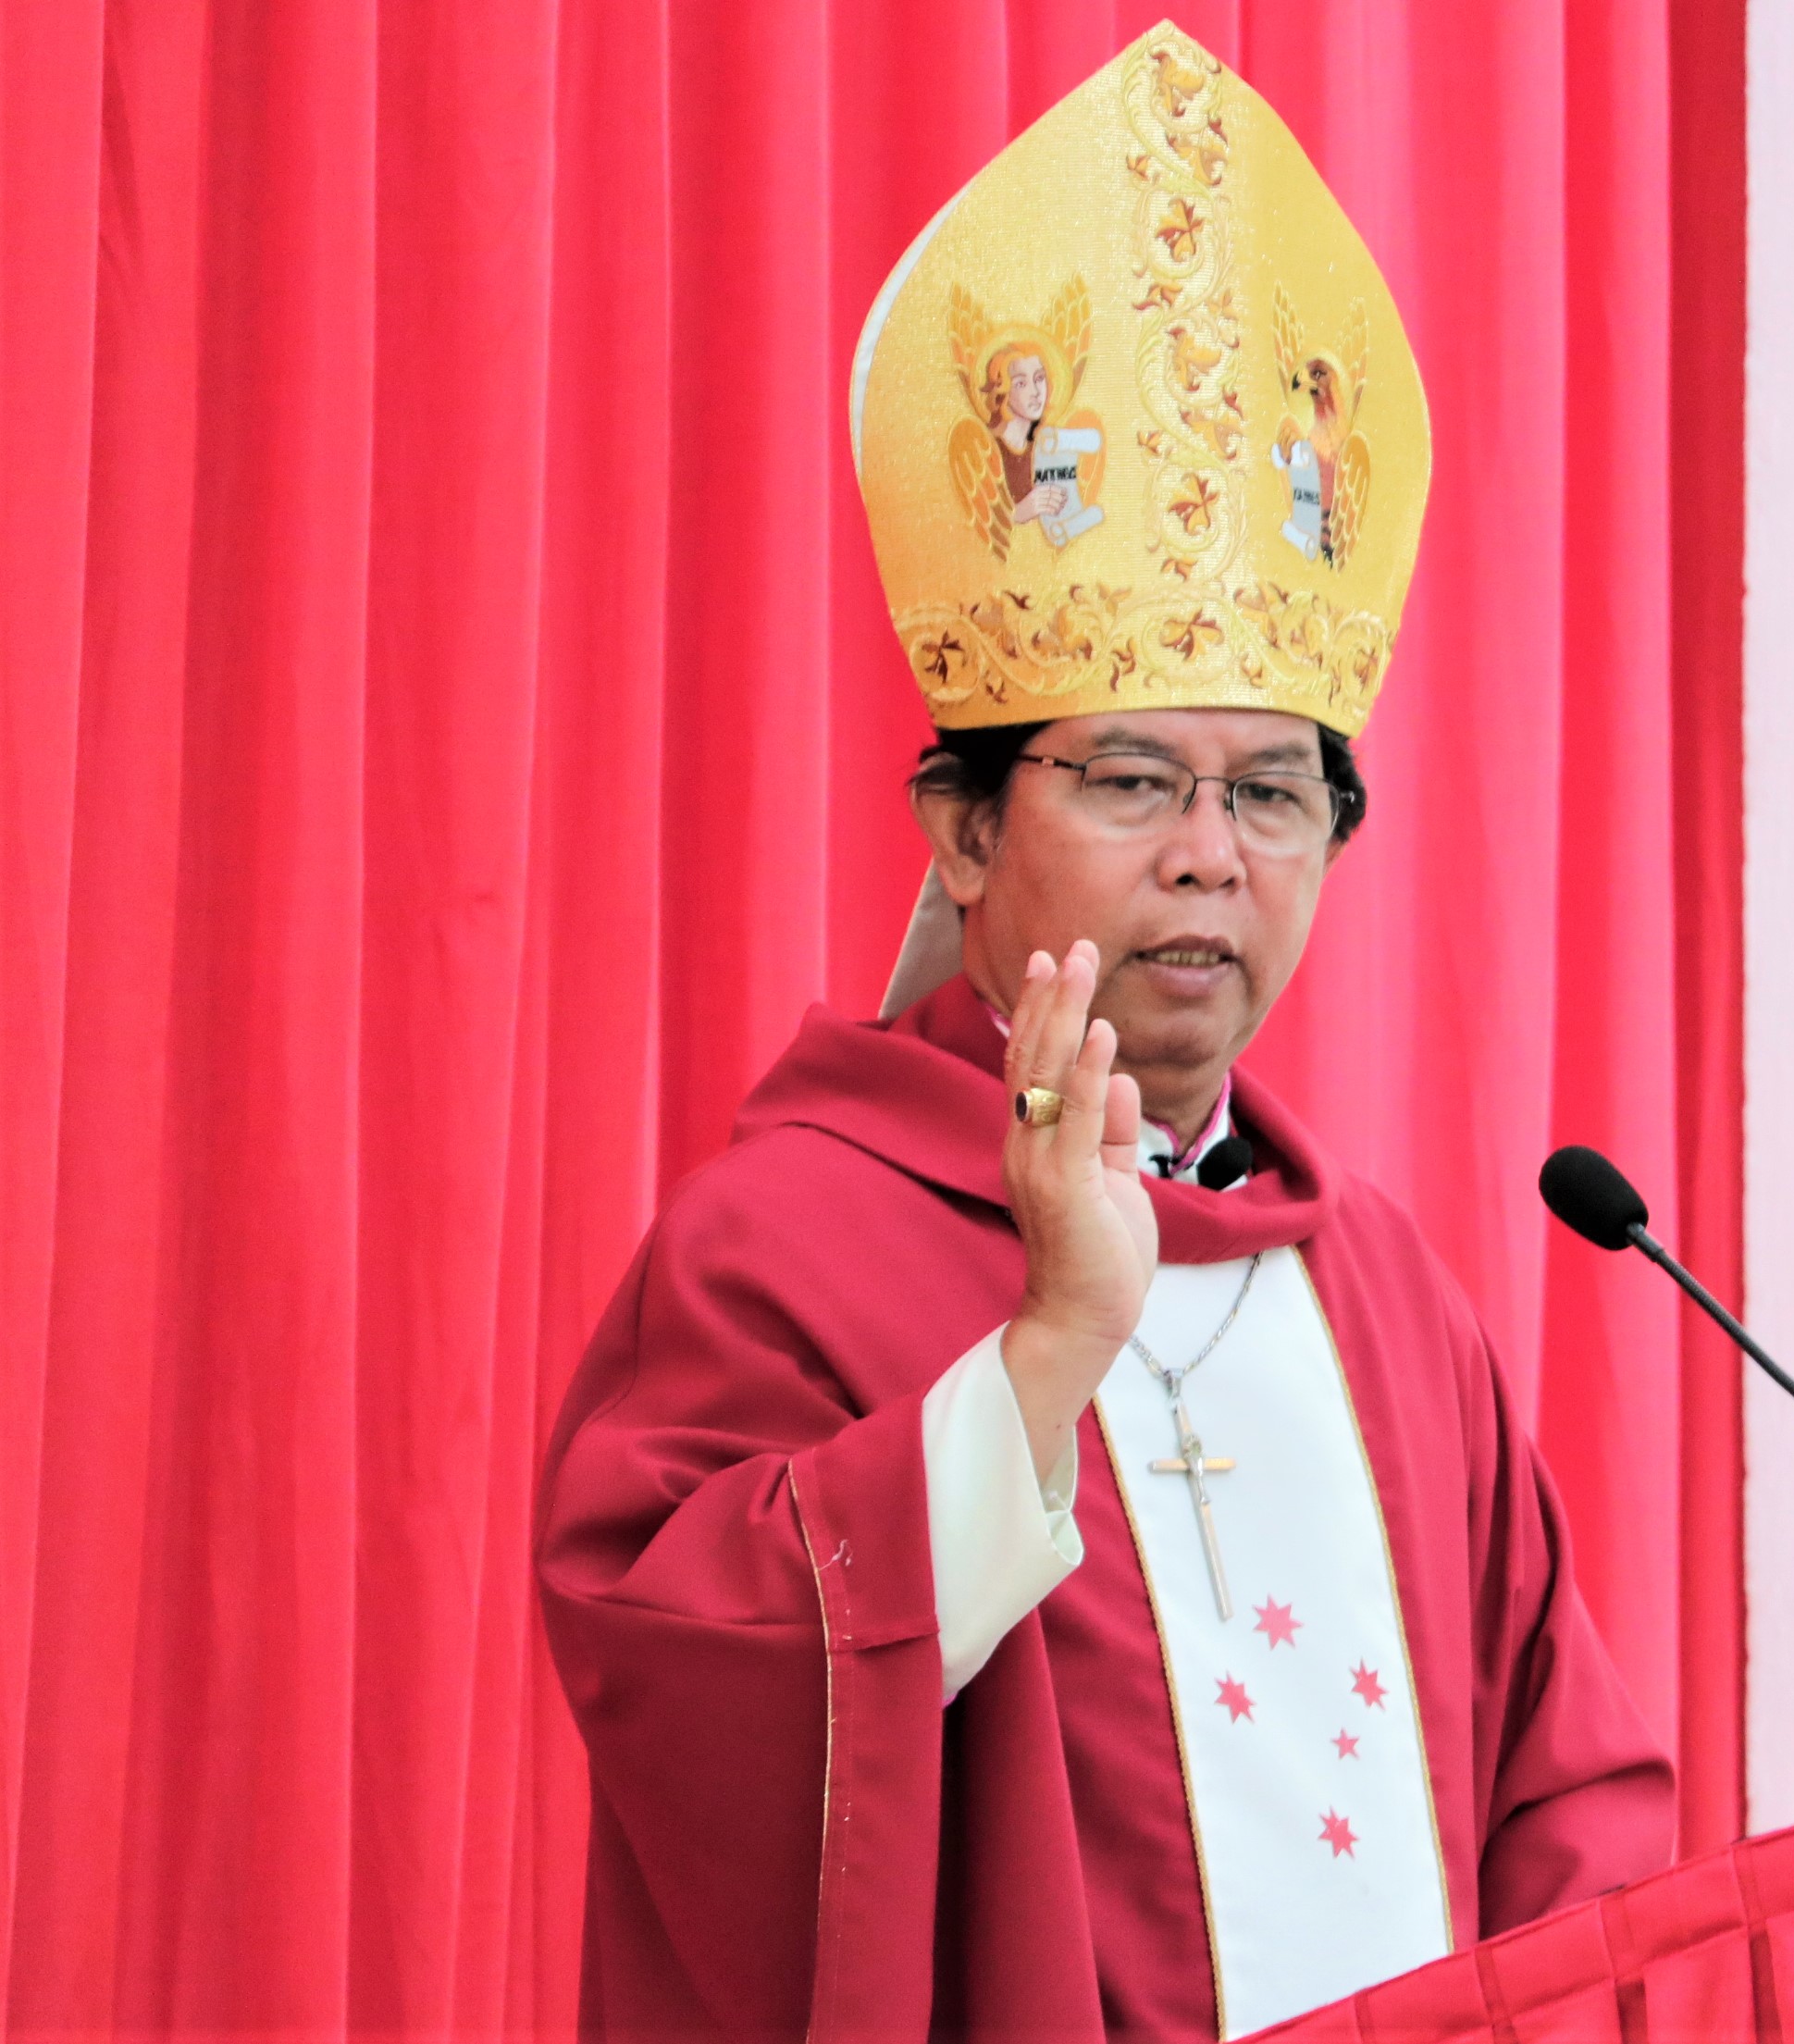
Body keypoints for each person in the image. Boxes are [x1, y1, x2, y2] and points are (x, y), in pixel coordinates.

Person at [535, 24, 1673, 2042]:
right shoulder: (783, 1247)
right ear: (961, 832)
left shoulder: (1388, 1293)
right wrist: (1046, 1351)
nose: (1211, 861)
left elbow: (1570, 1801)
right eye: (1133, 783)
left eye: (1271, 795)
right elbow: (686, 1689)